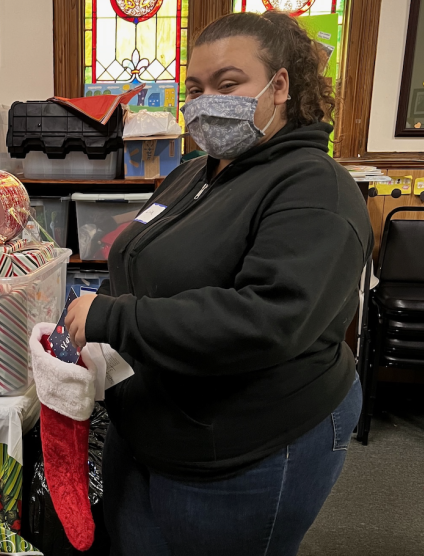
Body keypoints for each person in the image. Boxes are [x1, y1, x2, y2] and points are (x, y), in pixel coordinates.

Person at [65, 10, 373, 556]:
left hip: (243, 445)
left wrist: (113, 317)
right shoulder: (197, 171)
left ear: (279, 86)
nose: (207, 101)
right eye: (196, 88)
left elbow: (267, 321)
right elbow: (140, 256)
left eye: (228, 85)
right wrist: (103, 312)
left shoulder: (316, 188)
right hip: (152, 426)